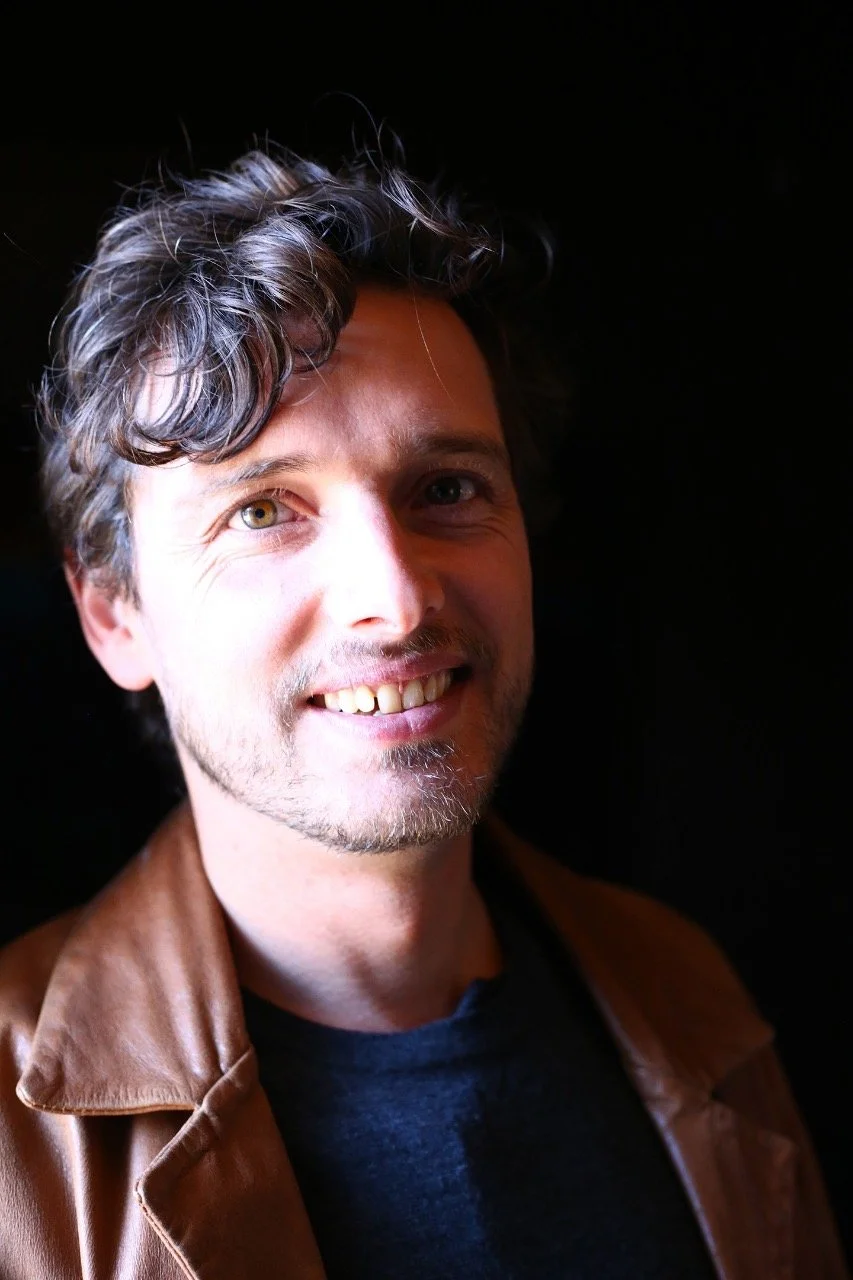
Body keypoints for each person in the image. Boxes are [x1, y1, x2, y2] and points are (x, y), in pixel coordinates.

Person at [0, 132, 846, 1280]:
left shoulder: (691, 995)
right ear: (114, 614)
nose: (395, 599)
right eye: (263, 510)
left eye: (447, 489)